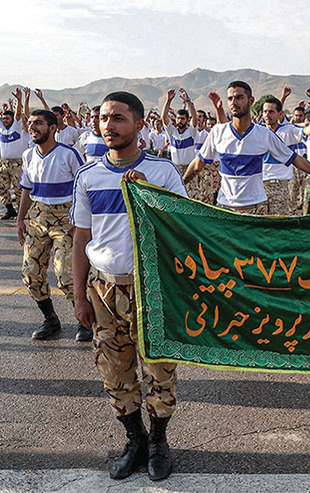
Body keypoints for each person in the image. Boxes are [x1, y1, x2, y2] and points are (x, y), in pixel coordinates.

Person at [72, 91, 186, 481]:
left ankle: (158, 442)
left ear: (139, 124)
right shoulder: (88, 175)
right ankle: (133, 439)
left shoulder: (163, 172)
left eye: (118, 118)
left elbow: (182, 228)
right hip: (103, 290)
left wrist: (148, 196)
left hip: (150, 288)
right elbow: (81, 238)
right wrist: (78, 294)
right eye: (104, 118)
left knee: (158, 369)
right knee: (114, 370)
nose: (109, 125)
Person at [182, 81, 310, 215]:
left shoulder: (264, 135)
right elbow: (197, 165)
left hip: (256, 209)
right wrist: (180, 186)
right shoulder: (218, 132)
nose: (234, 102)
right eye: (230, 98)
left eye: (239, 97)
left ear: (251, 101)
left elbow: (297, 160)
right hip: (226, 208)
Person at [15, 109, 91, 341]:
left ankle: (84, 320)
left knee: (66, 273)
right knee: (30, 273)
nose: (32, 127)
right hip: (38, 217)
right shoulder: (28, 155)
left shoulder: (69, 154)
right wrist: (20, 219)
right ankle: (50, 319)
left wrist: (80, 222)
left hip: (66, 217)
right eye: (30, 123)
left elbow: (84, 187)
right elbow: (27, 189)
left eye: (38, 123)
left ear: (53, 128)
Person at [0, 88, 26, 220]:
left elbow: (18, 115)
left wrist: (19, 100)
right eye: (3, 118)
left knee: (18, 189)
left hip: (17, 163)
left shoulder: (17, 126)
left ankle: (22, 212)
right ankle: (10, 210)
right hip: (4, 163)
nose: (5, 120)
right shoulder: (1, 128)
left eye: (7, 118)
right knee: (1, 187)